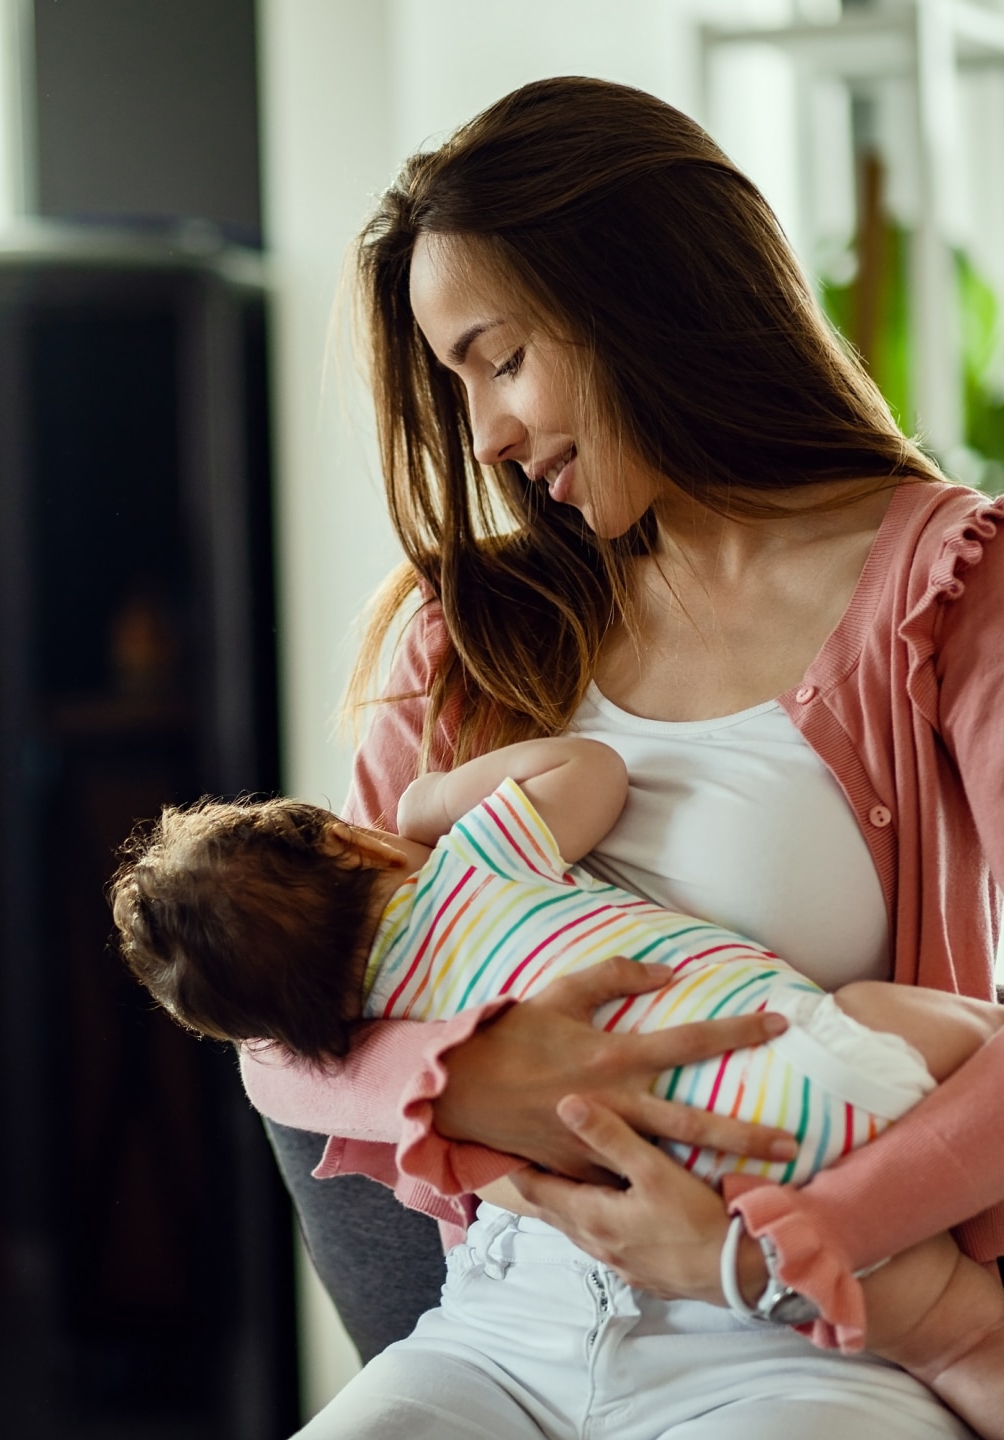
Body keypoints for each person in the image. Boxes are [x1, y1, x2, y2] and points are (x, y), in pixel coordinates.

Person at [239, 75, 1004, 1438]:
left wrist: (785, 1243)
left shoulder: (950, 592)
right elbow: (279, 1036)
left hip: (805, 1340)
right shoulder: (462, 634)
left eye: (503, 357)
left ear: (643, 295)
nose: (484, 436)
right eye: (455, 382)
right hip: (499, 1327)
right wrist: (469, 1075)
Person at [111, 737, 1004, 1429]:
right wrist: (431, 802)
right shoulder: (473, 862)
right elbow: (594, 770)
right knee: (888, 1024)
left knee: (926, 1315)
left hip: (692, 1184)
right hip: (810, 1080)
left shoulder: (387, 1033)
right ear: (353, 841)